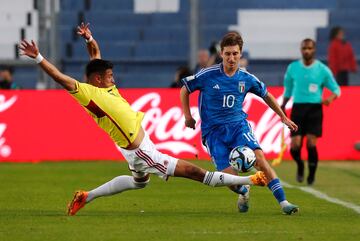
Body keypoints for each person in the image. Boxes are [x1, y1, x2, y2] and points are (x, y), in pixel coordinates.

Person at [18, 23, 267, 216]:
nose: (113, 79)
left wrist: (89, 38)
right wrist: (39, 57)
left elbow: (95, 54)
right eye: (110, 75)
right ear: (97, 79)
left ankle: (86, 196)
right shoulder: (88, 93)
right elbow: (61, 78)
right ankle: (250, 179)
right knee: (194, 172)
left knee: (140, 183)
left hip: (136, 145)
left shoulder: (104, 87)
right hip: (140, 151)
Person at [180, 31, 299, 215]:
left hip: (238, 127)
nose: (231, 58)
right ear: (221, 54)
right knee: (230, 180)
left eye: (235, 53)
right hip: (213, 133)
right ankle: (243, 191)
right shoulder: (208, 74)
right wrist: (188, 116)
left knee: (260, 160)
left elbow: (266, 95)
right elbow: (184, 89)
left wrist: (283, 116)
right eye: (227, 54)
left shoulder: (246, 78)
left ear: (240, 53)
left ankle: (284, 203)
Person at [281, 38, 341, 185]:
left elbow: (336, 90)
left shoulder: (322, 69)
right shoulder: (293, 68)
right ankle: (300, 165)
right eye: (304, 48)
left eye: (309, 48)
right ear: (301, 50)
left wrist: (329, 99)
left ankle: (312, 174)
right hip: (298, 108)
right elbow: (288, 90)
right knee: (295, 145)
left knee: (311, 144)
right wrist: (282, 106)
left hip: (314, 109)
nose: (307, 51)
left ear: (314, 50)